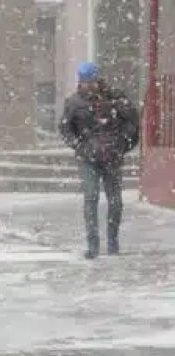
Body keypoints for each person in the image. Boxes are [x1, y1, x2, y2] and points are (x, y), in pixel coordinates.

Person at [60, 62, 140, 259]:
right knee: (91, 196)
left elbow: (132, 121)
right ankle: (93, 244)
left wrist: (123, 143)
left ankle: (113, 241)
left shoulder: (115, 97)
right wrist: (79, 145)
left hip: (112, 156)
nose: (88, 85)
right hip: (87, 158)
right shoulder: (73, 103)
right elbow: (65, 128)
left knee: (115, 201)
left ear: (98, 79)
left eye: (91, 80)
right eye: (84, 81)